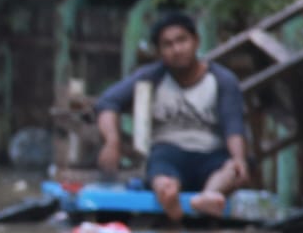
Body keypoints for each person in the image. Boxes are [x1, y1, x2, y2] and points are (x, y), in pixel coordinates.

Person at [95, 11, 249, 220]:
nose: (177, 50)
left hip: (212, 154)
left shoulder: (222, 80)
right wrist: (112, 142)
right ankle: (168, 195)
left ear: (196, 41)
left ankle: (209, 196)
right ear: (159, 52)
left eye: (182, 41)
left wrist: (239, 159)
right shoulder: (152, 76)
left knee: (230, 168)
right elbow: (108, 102)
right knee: (161, 170)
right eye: (167, 45)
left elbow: (234, 126)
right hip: (168, 153)